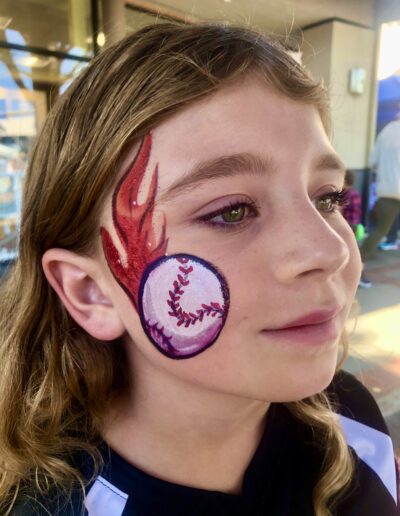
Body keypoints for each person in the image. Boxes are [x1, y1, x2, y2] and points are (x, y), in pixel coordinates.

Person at [0, 24, 398, 516]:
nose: (330, 249)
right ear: (91, 292)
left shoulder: (351, 418)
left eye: (327, 197)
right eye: (231, 211)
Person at [360, 116, 400, 287]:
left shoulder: (385, 132)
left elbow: (373, 162)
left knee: (379, 231)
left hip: (387, 190)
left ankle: (357, 266)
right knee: (381, 231)